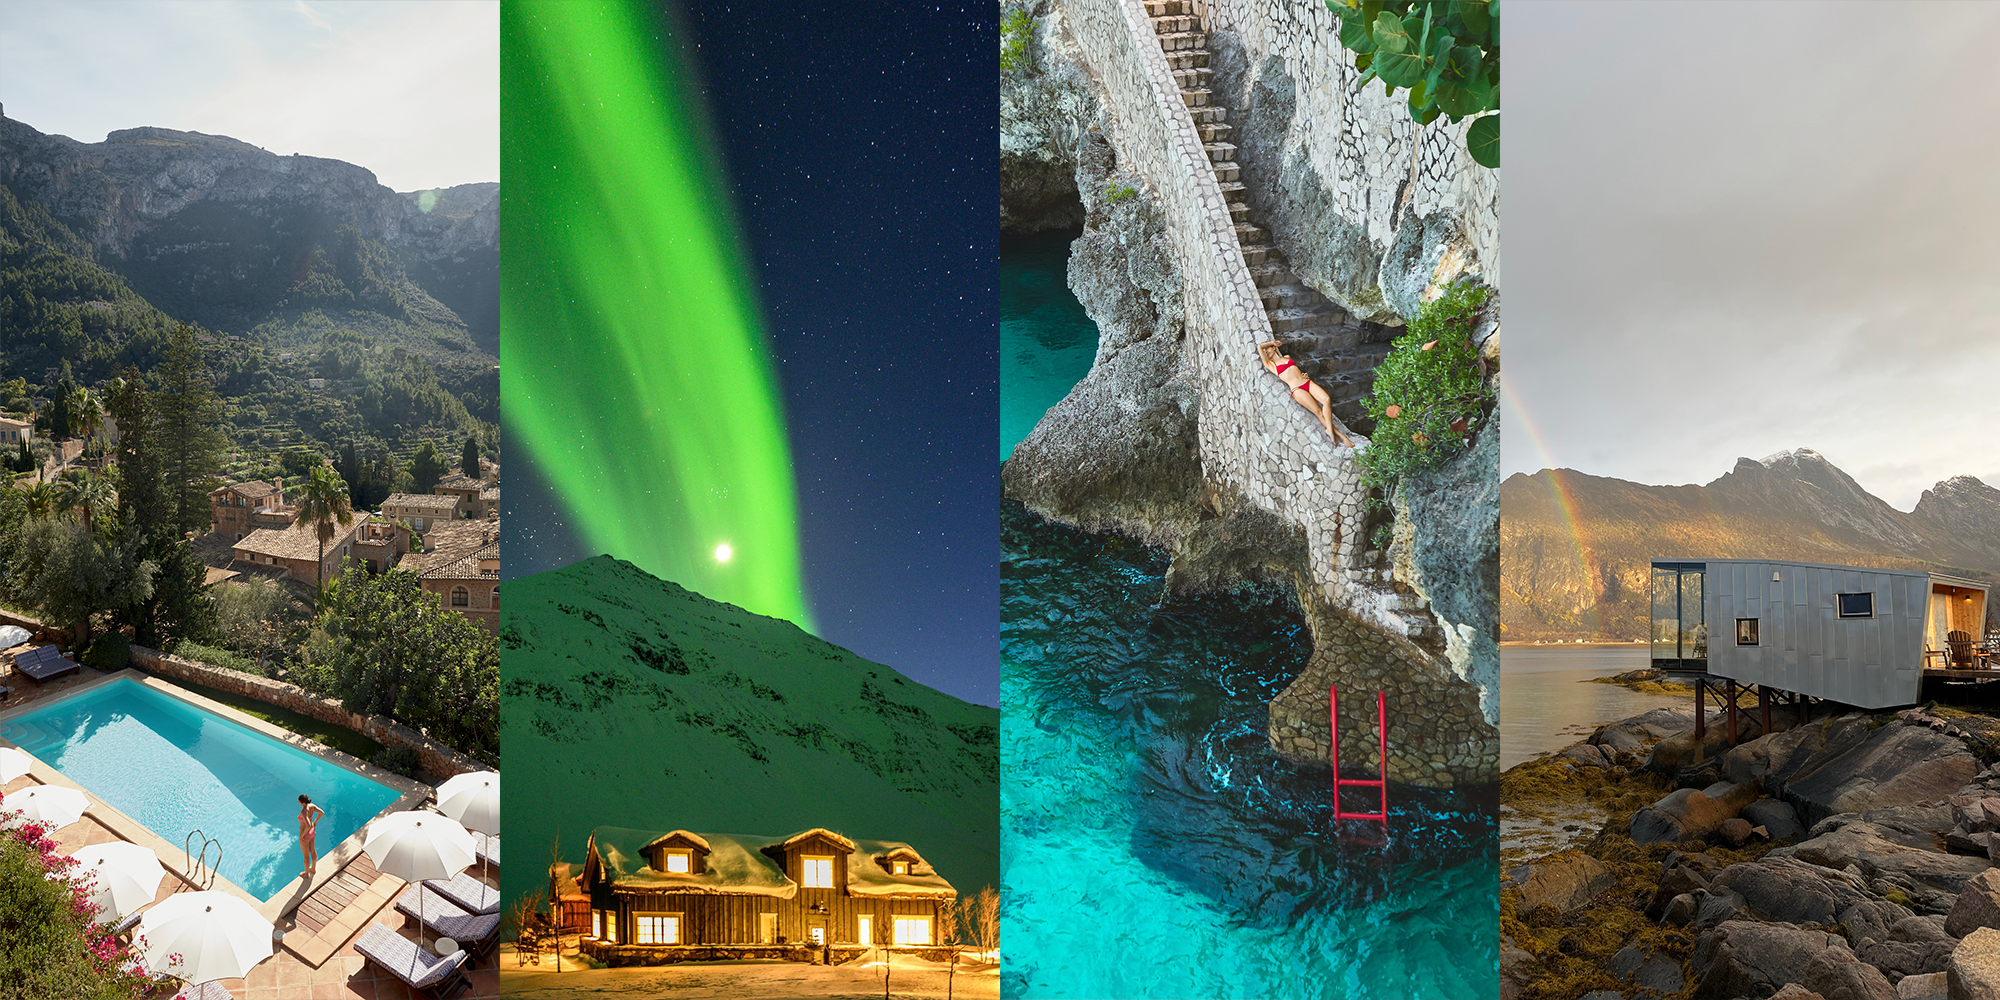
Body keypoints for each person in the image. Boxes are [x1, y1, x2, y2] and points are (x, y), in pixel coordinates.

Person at [1258, 340, 1354, 447]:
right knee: (1319, 412)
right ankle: (1340, 436)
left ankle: (1330, 430)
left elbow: (1294, 371)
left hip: (1307, 382)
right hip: (1297, 389)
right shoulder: (1271, 365)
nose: (1265, 351)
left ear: (1274, 348)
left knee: (1326, 399)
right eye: (1265, 350)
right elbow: (1259, 347)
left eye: (1268, 349)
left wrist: (1303, 374)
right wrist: (1272, 343)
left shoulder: (1286, 357)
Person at [298, 793, 325, 880]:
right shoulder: (312, 806)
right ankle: (313, 868)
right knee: (312, 851)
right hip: (313, 832)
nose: (298, 803)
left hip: (305, 834)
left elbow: (308, 825)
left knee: (306, 856)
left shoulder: (303, 812)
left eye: (299, 801)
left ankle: (306, 874)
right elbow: (321, 813)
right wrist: (316, 821)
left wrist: (302, 834)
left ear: (302, 802)